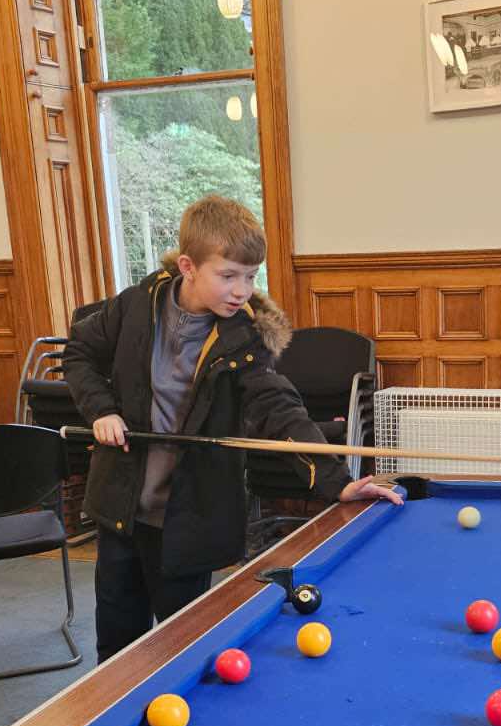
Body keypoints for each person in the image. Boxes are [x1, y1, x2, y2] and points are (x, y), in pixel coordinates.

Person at [64, 194, 401, 662]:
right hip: (119, 506)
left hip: (186, 518)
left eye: (250, 276)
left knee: (183, 649)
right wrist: (101, 410)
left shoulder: (244, 337)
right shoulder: (136, 305)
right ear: (188, 267)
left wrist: (337, 481)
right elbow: (79, 353)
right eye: (228, 276)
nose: (241, 290)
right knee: (117, 646)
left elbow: (281, 409)